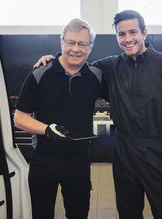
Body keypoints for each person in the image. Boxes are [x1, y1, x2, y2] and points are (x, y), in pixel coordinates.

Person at [34, 10, 162, 219]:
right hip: (123, 151)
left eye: (133, 32)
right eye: (122, 34)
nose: (128, 39)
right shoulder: (109, 67)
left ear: (144, 33)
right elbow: (77, 67)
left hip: (156, 150)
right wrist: (53, 60)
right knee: (128, 212)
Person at [14, 18, 108, 219]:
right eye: (71, 42)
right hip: (44, 160)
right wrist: (47, 130)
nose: (76, 49)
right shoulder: (40, 73)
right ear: (61, 42)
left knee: (78, 213)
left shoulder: (96, 76)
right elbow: (20, 118)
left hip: (79, 161)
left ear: (90, 47)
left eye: (82, 44)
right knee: (41, 213)